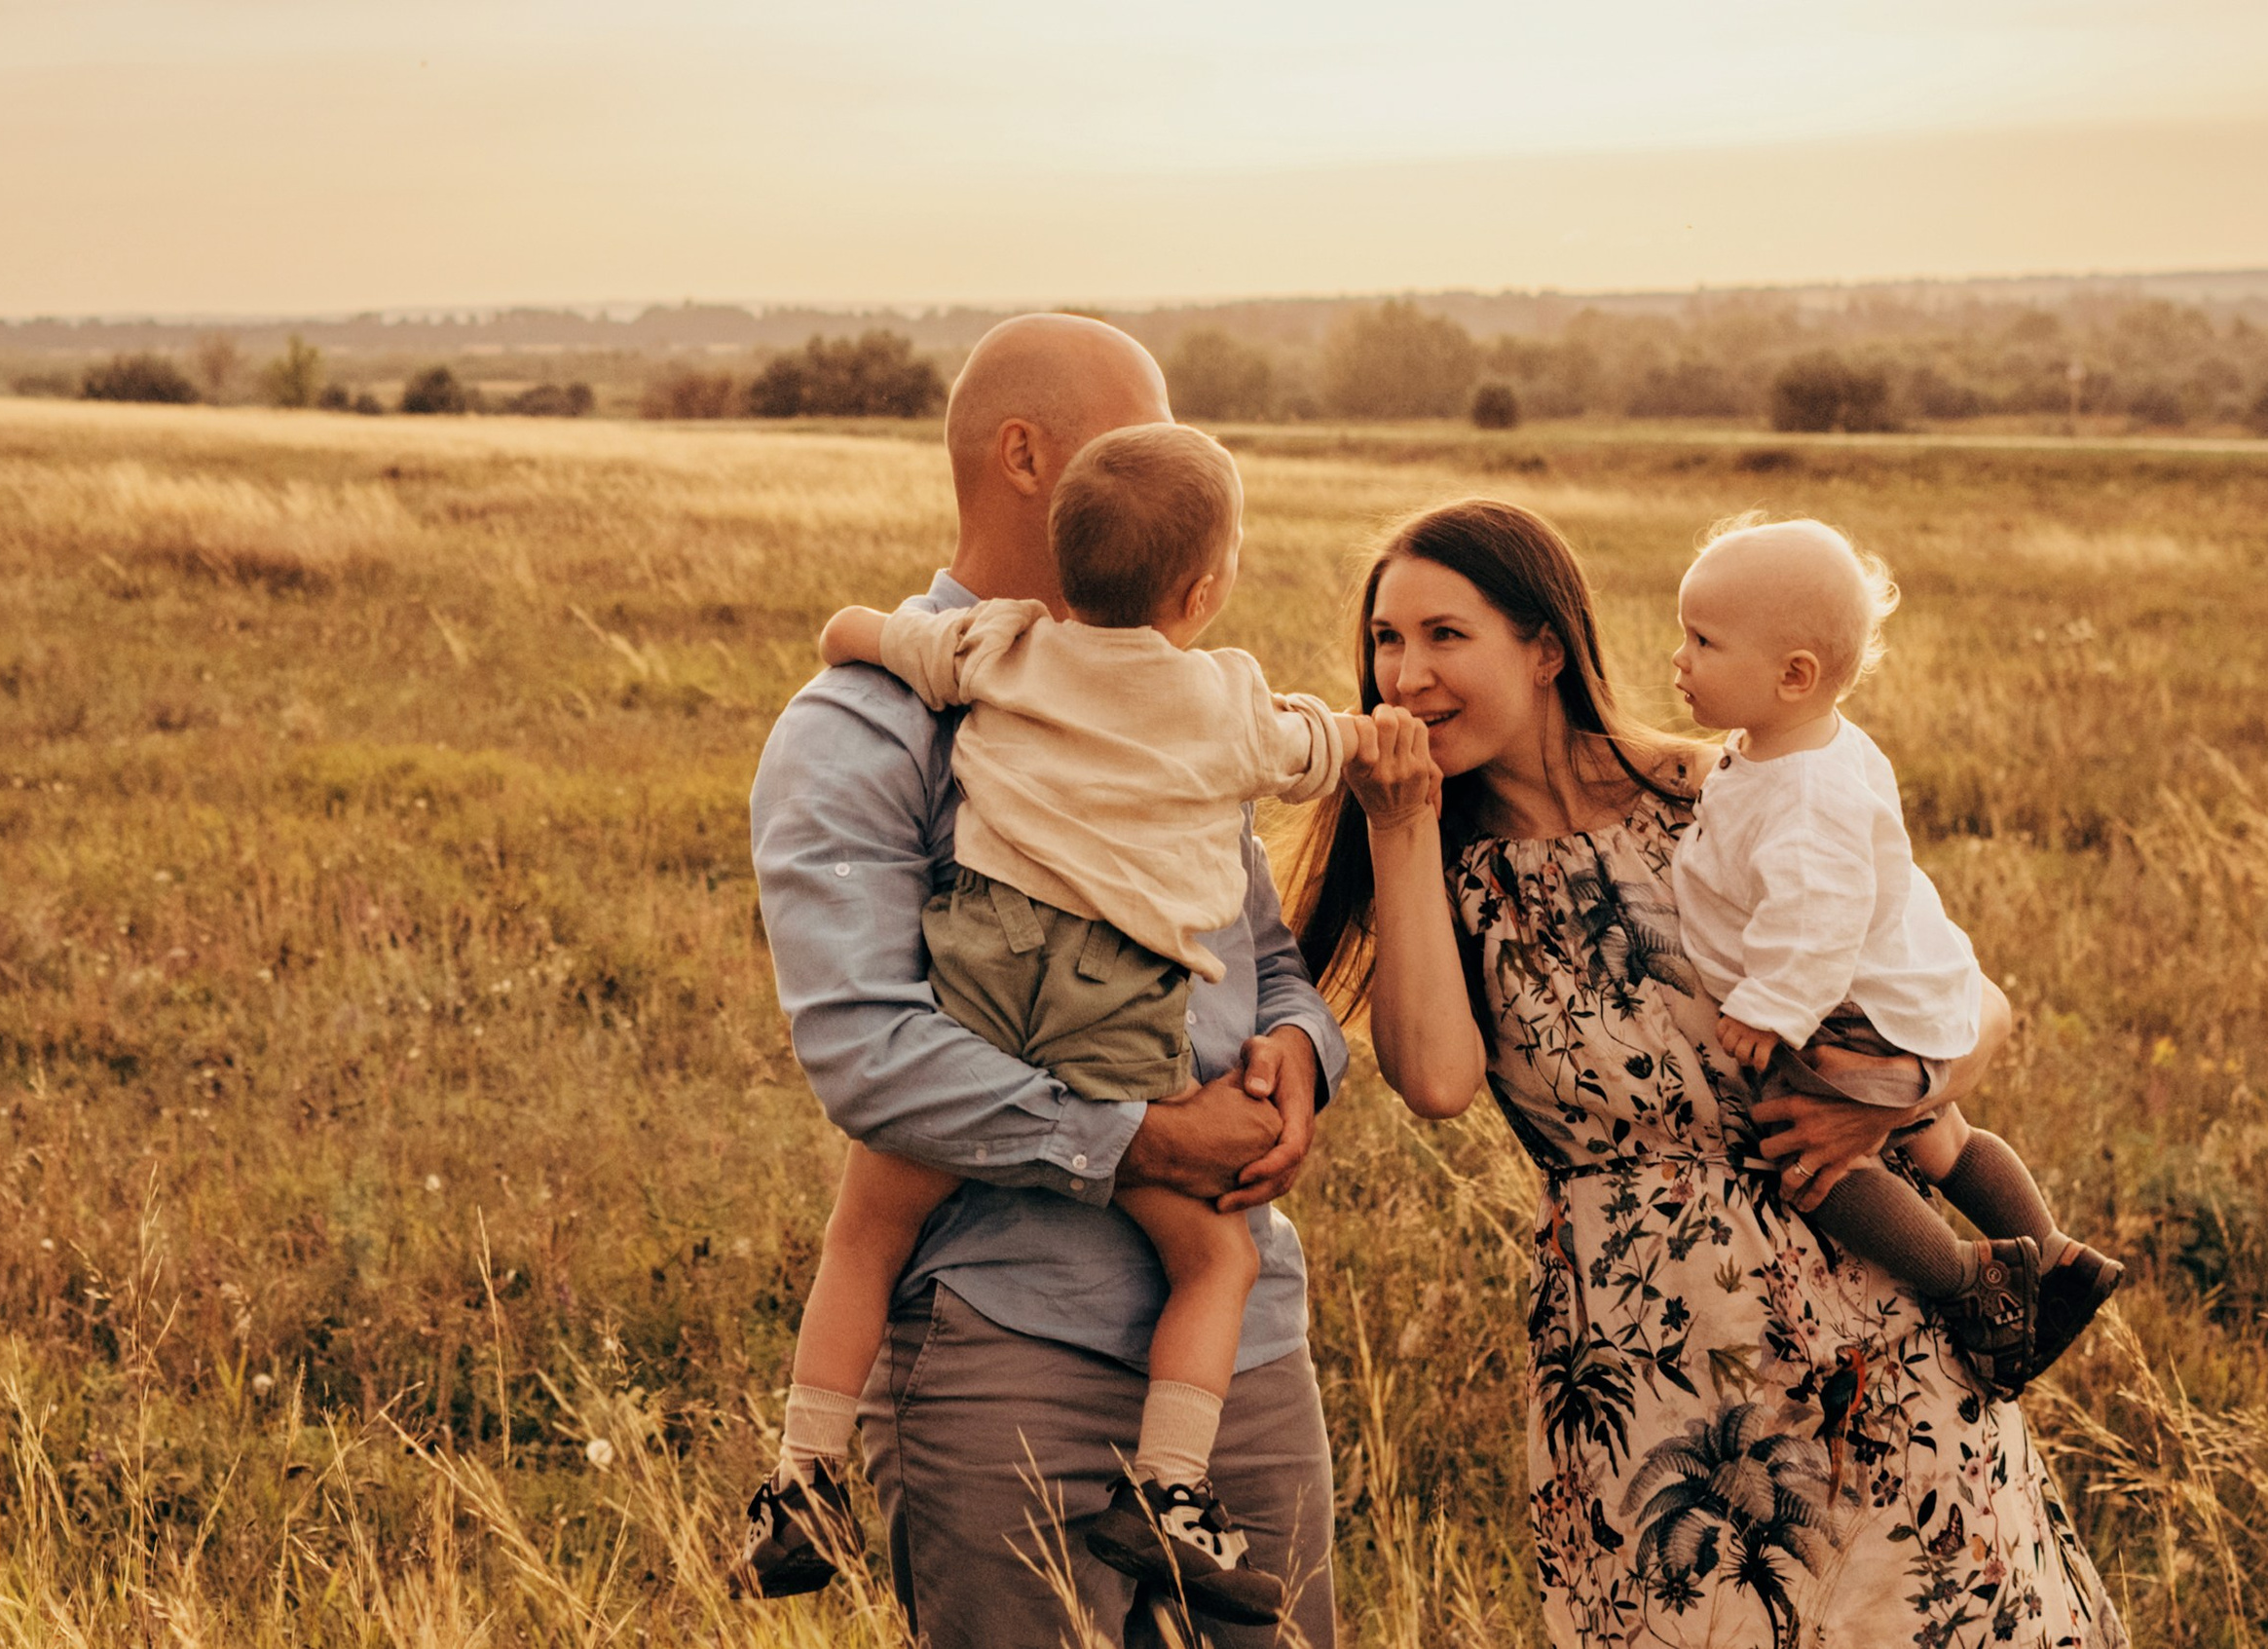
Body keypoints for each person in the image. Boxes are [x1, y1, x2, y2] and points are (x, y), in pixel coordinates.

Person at [1295, 498, 2127, 1647]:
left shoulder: (1723, 789)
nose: (1404, 674)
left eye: (1444, 635)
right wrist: (1397, 826)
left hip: (1865, 1316)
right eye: (1386, 641)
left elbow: (1967, 997)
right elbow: (1435, 1081)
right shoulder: (1444, 871)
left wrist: (1884, 1101)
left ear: (1544, 648)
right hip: (1651, 1367)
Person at [746, 314, 1347, 1649]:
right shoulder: (863, 721)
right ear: (1026, 457)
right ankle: (798, 1481)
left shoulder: (1175, 702)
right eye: (1140, 442)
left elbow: (1260, 946)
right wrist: (1139, 1134)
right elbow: (866, 1049)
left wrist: (1302, 1055)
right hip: (1005, 1354)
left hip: (1239, 1362)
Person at [1668, 514, 2121, 1394]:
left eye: (1702, 641)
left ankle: (1968, 1283)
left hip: (1845, 1011)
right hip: (1895, 993)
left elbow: (1819, 918)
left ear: (1793, 674)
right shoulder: (1798, 743)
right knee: (1941, 1135)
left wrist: (1771, 1008)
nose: (1678, 659)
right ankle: (2058, 1256)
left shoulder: (1803, 794)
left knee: (1813, 1163)